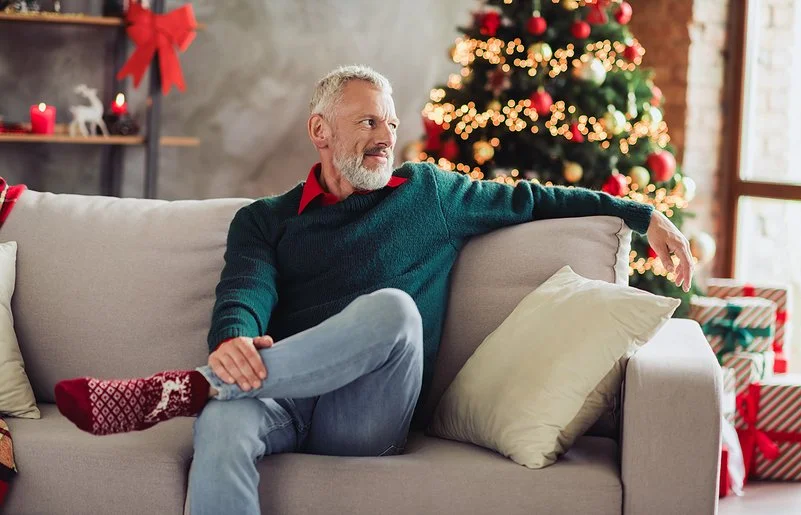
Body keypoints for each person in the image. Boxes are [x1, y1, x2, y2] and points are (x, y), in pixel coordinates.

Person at [54, 65, 694, 514]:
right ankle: (215, 386)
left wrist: (641, 214)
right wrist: (233, 343)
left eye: (390, 121)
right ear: (320, 132)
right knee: (221, 427)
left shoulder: (430, 195)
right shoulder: (265, 220)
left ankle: (189, 388)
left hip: (367, 413)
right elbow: (243, 290)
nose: (386, 135)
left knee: (393, 310)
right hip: (277, 398)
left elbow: (532, 198)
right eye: (366, 121)